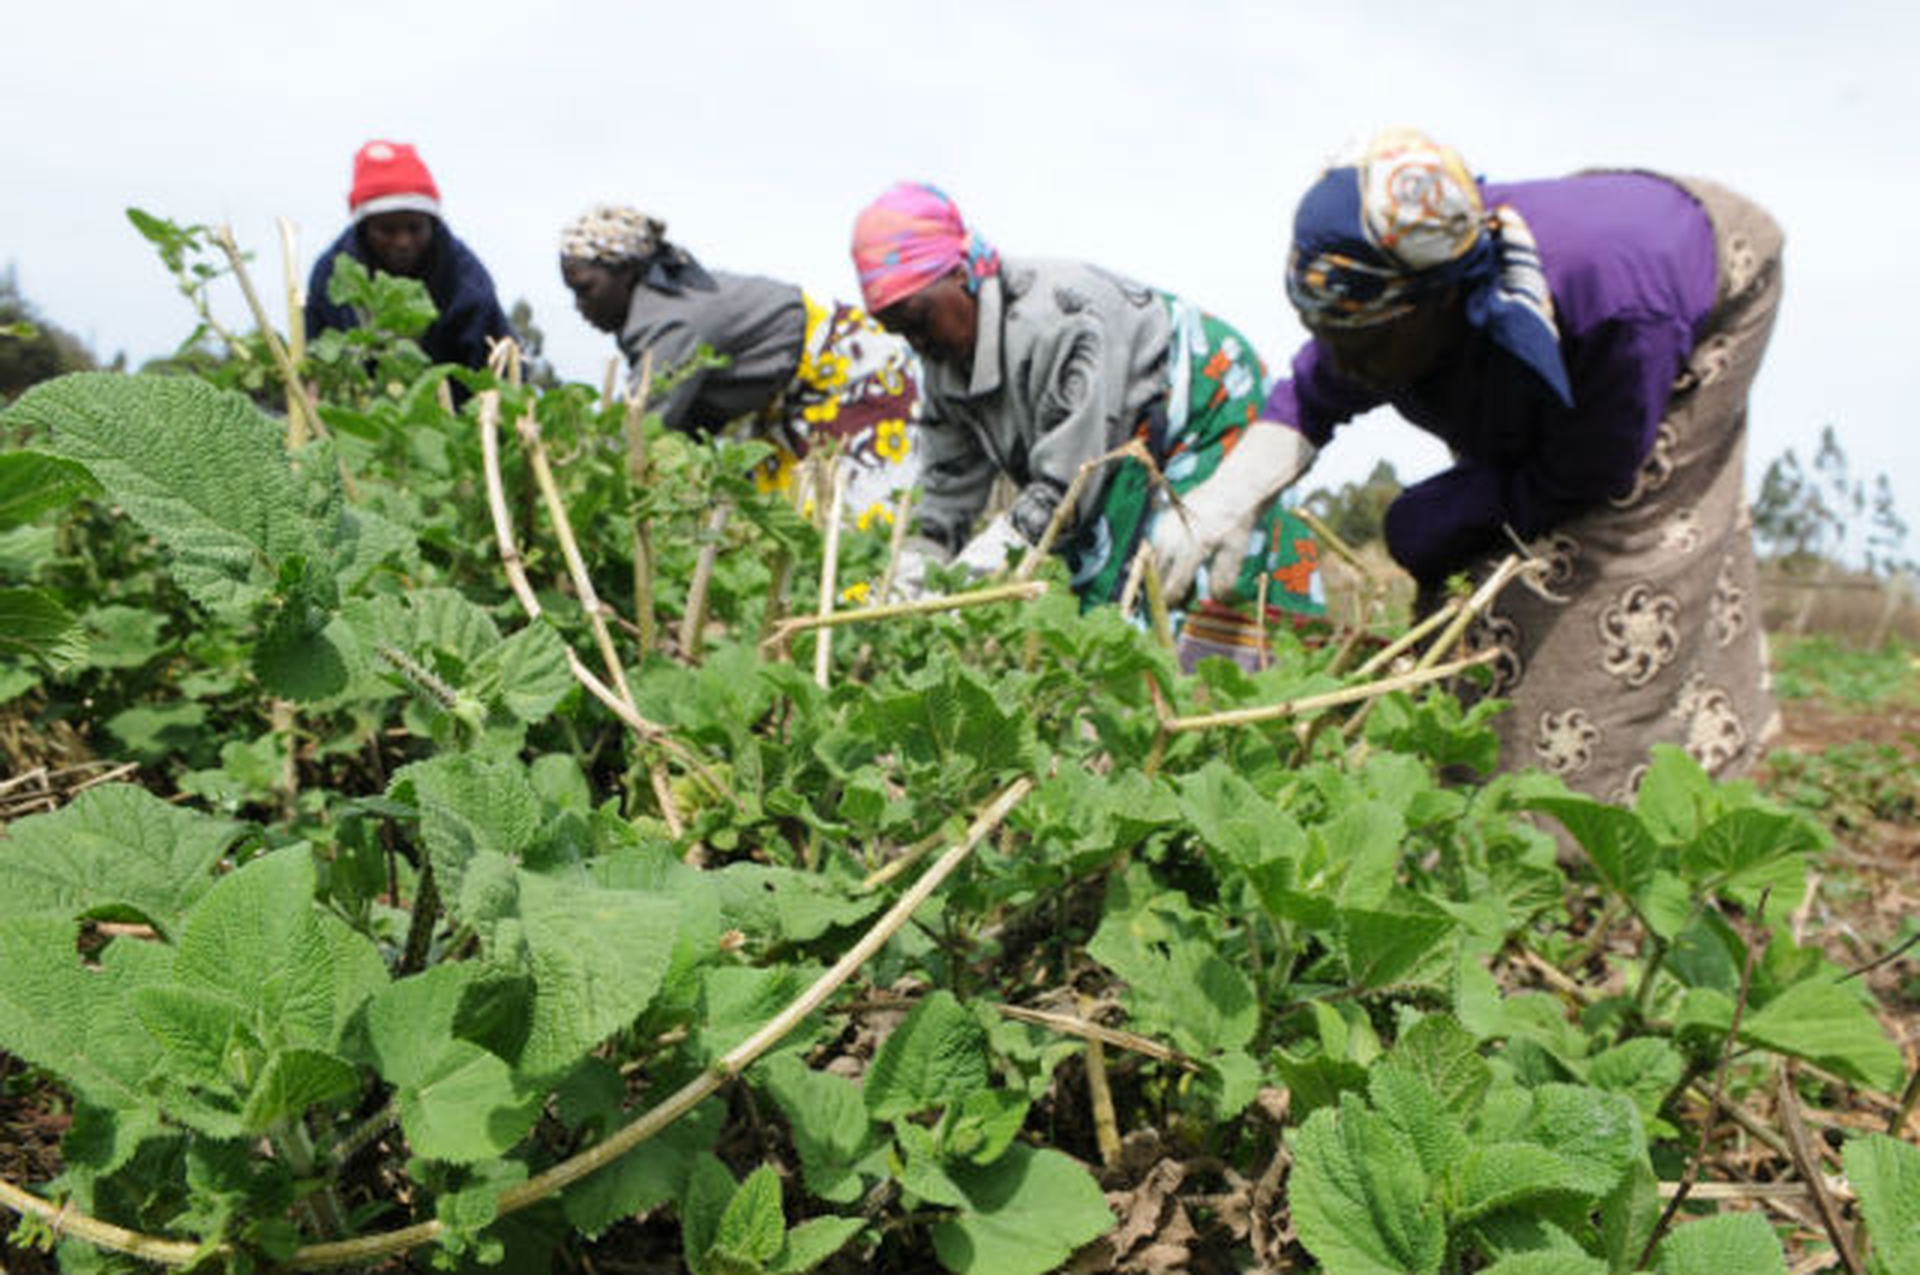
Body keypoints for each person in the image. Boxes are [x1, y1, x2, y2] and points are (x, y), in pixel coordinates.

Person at [1257, 126, 1781, 800]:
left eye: (1363, 344)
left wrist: (1432, 521)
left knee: (1605, 554)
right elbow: (1323, 380)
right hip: (1602, 248)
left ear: (1440, 300)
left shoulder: (1618, 313)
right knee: (1484, 562)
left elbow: (1588, 470)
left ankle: (1594, 811)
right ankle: (1463, 789)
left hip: (1692, 278)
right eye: (1326, 336)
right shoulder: (1387, 284)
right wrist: (1247, 473)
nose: (1346, 364)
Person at [850, 181, 1322, 638]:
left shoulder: (1058, 322)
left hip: (1202, 404)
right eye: (898, 331)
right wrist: (901, 593)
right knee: (1102, 606)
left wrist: (959, 594)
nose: (916, 343)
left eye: (918, 320)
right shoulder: (945, 366)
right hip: (1116, 446)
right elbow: (945, 498)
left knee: (1179, 584)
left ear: (959, 274)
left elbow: (1065, 495)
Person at [558, 204, 922, 521]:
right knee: (785, 519)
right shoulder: (658, 309)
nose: (579, 306)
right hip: (790, 397)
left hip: (850, 372)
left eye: (585, 289)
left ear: (625, 272)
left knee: (850, 516)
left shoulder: (672, 321)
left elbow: (637, 433)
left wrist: (577, 491)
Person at [306, 140, 516, 373]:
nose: (403, 242)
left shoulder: (466, 281)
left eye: (415, 228)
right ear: (364, 229)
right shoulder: (332, 275)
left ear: (432, 224)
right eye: (387, 230)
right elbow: (315, 357)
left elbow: (503, 370)